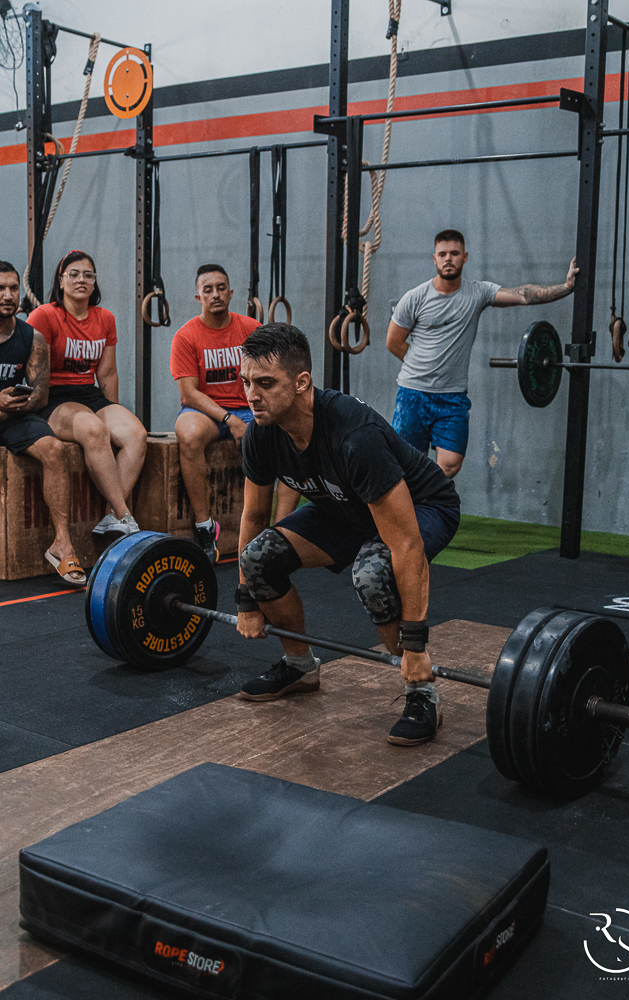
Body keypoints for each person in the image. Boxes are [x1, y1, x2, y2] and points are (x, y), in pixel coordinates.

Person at [234, 323, 461, 746]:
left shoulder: (354, 437)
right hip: (344, 509)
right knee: (258, 558)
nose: (251, 395)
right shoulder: (262, 434)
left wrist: (414, 645)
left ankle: (421, 689)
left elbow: (406, 544)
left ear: (302, 382)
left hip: (425, 506)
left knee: (373, 573)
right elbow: (254, 516)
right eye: (246, 381)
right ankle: (300, 667)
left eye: (265, 383)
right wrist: (246, 598)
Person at [386, 229, 578, 478]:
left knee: (450, 464)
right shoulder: (414, 298)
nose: (448, 259)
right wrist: (425, 366)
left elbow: (523, 295)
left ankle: (426, 497)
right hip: (413, 394)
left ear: (465, 257)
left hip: (452, 396)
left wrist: (566, 287)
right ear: (434, 259)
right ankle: (417, 502)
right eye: (442, 254)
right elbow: (393, 342)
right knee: (408, 464)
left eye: (454, 253)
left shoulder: (478, 293)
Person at [170, 264, 298, 563]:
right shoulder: (185, 336)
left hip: (250, 407)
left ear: (230, 293)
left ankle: (282, 532)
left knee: (290, 436)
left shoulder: (251, 329)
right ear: (198, 297)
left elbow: (271, 377)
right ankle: (204, 527)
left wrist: (254, 416)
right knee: (188, 434)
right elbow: (189, 393)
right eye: (208, 290)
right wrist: (230, 420)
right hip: (208, 411)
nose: (215, 294)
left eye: (220, 288)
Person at [28, 250, 147, 537]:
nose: (81, 280)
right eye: (74, 274)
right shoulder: (44, 316)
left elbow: (107, 374)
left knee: (136, 434)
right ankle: (125, 515)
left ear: (94, 283)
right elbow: (35, 374)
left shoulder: (105, 318)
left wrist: (114, 412)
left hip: (89, 394)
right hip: (53, 396)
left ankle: (110, 518)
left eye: (88, 275)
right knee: (93, 429)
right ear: (61, 280)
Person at [0, 261, 85, 585]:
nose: (8, 295)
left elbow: (40, 395)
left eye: (13, 288)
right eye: (0, 289)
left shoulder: (31, 337)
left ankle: (62, 544)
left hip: (14, 416)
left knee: (54, 449)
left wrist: (11, 405)